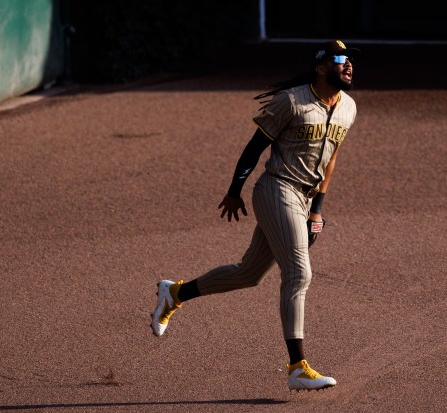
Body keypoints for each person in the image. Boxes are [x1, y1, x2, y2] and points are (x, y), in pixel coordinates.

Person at [150, 39, 360, 391]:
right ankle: (297, 366)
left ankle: (176, 294)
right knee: (299, 272)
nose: (349, 64)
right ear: (321, 66)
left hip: (305, 200)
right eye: (341, 59)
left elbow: (331, 160)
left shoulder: (349, 107)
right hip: (276, 189)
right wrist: (235, 191)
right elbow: (254, 147)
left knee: (248, 274)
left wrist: (319, 210)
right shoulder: (292, 101)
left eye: (351, 59)